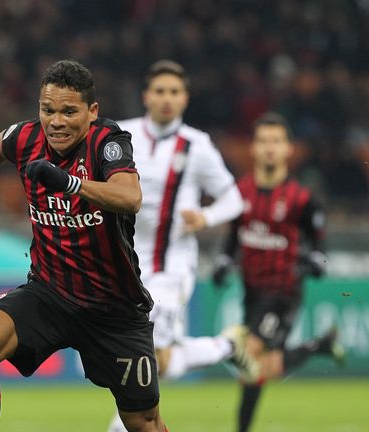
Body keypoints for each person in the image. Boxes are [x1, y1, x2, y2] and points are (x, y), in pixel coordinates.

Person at [0, 59, 168, 432]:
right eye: (47, 110)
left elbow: (130, 196)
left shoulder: (107, 141)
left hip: (114, 308)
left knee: (143, 422)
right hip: (50, 295)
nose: (56, 121)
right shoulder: (24, 138)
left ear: (92, 112)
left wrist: (68, 182)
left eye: (69, 111)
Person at [109, 60, 247, 431]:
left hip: (172, 268)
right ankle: (227, 346)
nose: (166, 99)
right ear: (146, 96)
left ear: (184, 98)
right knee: (162, 362)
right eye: (160, 91)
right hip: (124, 267)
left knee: (143, 356)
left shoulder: (197, 146)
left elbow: (233, 199)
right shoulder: (121, 134)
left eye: (174, 92)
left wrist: (206, 217)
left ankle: (120, 426)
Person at [211, 112, 344, 432]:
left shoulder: (303, 200)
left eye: (277, 141)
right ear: (253, 149)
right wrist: (224, 262)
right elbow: (233, 239)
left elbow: (321, 251)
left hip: (283, 293)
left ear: (288, 149)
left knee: (249, 351)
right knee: (261, 368)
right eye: (264, 141)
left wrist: (314, 262)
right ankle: (317, 347)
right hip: (251, 292)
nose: (270, 148)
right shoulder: (240, 193)